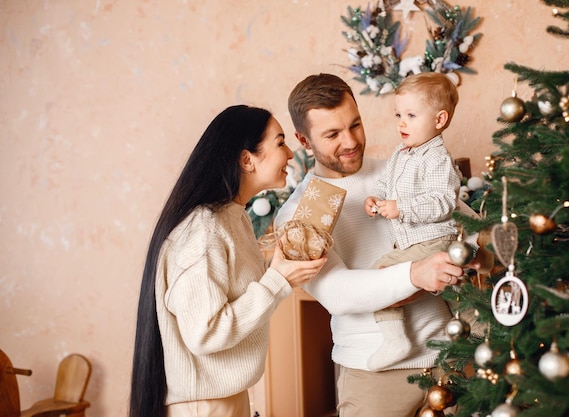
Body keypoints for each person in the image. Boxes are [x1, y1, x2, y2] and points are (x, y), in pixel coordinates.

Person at [274, 73, 478, 417]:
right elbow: (337, 293)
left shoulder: (399, 170)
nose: (351, 141)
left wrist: (466, 257)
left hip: (451, 358)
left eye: (355, 124)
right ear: (304, 141)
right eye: (332, 134)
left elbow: (470, 228)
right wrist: (414, 275)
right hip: (374, 375)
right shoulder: (301, 212)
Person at [129, 105, 327, 417]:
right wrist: (277, 281)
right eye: (279, 142)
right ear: (247, 159)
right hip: (204, 409)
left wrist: (279, 269)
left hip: (223, 402)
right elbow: (205, 331)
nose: (290, 153)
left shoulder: (232, 217)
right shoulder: (203, 229)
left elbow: (232, 294)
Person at [363, 72, 462, 371]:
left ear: (440, 119)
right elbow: (387, 184)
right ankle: (472, 326)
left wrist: (402, 208)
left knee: (379, 274)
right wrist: (376, 199)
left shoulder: (437, 159)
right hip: (415, 242)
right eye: (398, 115)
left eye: (411, 115)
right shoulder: (401, 152)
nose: (401, 123)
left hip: (434, 239)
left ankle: (396, 340)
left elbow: (444, 201)